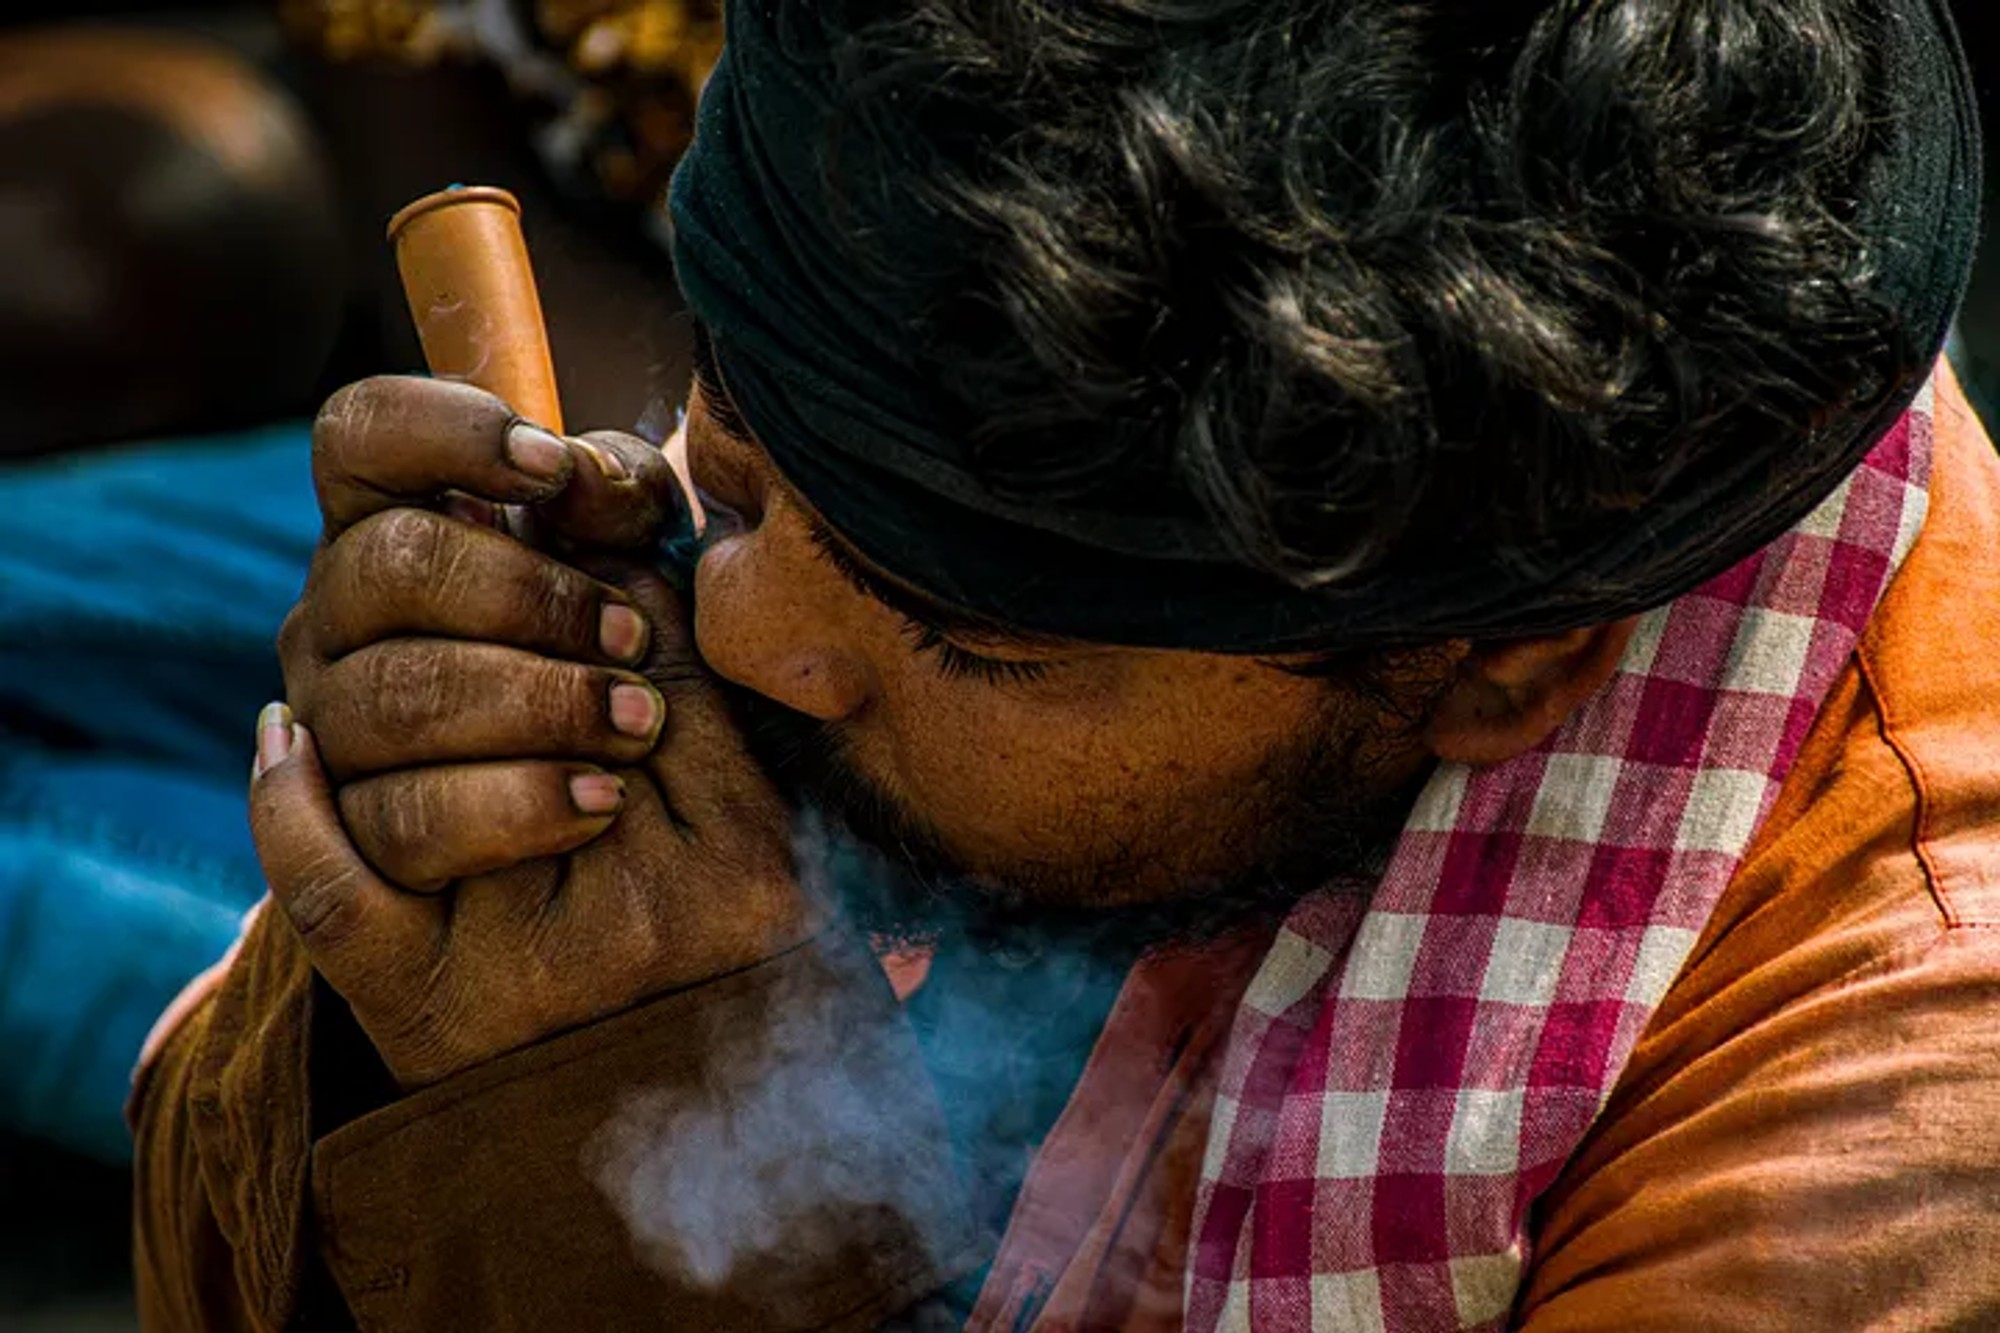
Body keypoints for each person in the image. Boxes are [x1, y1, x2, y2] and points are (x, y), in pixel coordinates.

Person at [132, 1, 2000, 1330]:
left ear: (1498, 670)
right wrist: (403, 952)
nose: (741, 631)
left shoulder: (1877, 1136)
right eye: (744, 448)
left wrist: (605, 1166)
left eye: (972, 638)